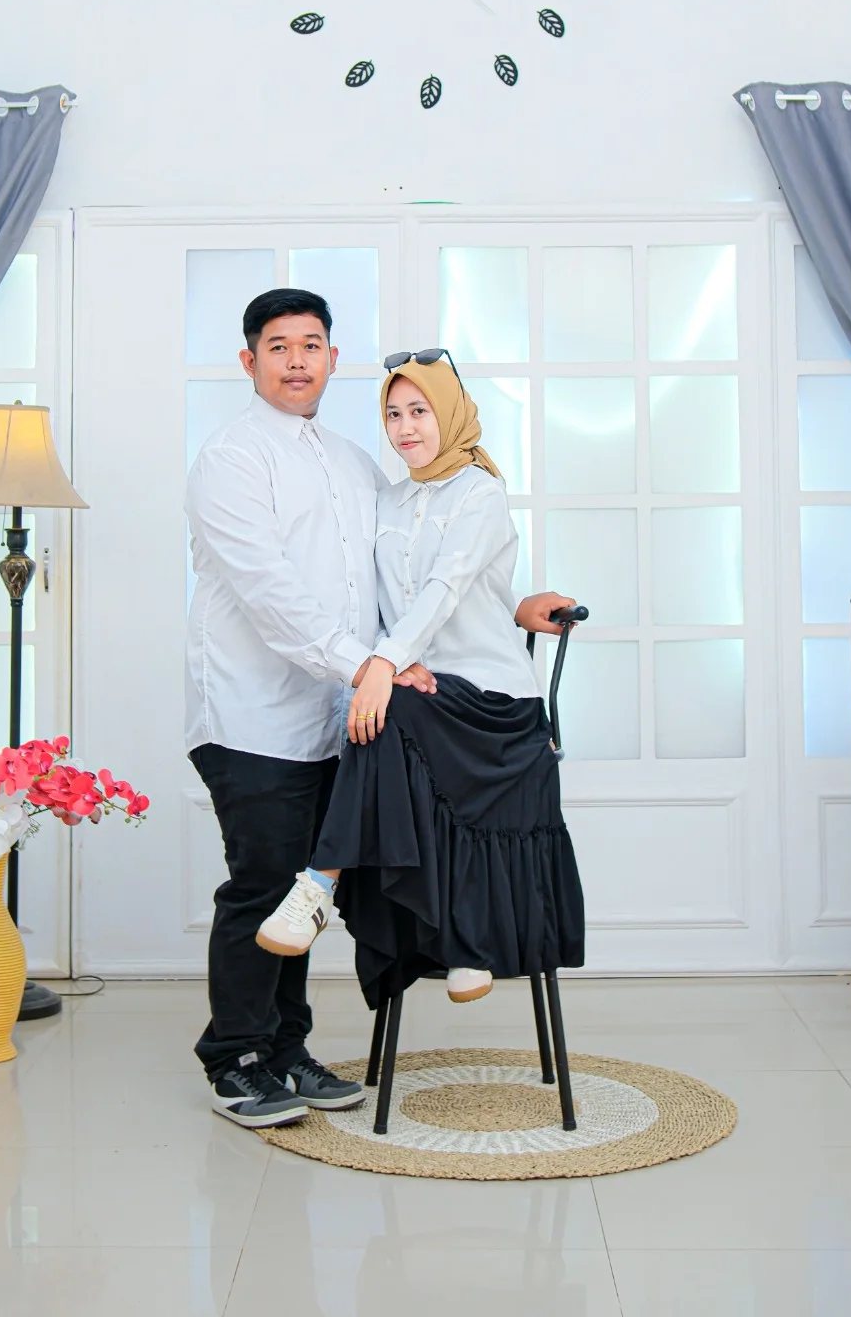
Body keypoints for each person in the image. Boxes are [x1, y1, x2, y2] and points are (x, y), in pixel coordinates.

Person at [185, 295, 574, 1128]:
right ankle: (235, 1059)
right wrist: (369, 665)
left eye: (311, 345)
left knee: (306, 890)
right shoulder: (230, 460)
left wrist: (505, 607)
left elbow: (410, 577)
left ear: (333, 358)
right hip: (254, 713)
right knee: (264, 885)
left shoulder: (356, 463)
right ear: (249, 361)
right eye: (278, 347)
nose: (297, 360)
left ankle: (286, 1049)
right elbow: (269, 593)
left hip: (345, 717)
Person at [256, 352, 585, 1008]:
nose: (405, 428)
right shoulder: (388, 500)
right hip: (422, 687)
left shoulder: (481, 493)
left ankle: (319, 883)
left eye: (419, 411)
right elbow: (382, 598)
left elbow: (446, 586)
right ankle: (460, 940)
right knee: (388, 713)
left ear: (451, 414)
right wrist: (392, 661)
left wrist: (381, 665)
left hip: (493, 701)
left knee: (386, 711)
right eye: (393, 414)